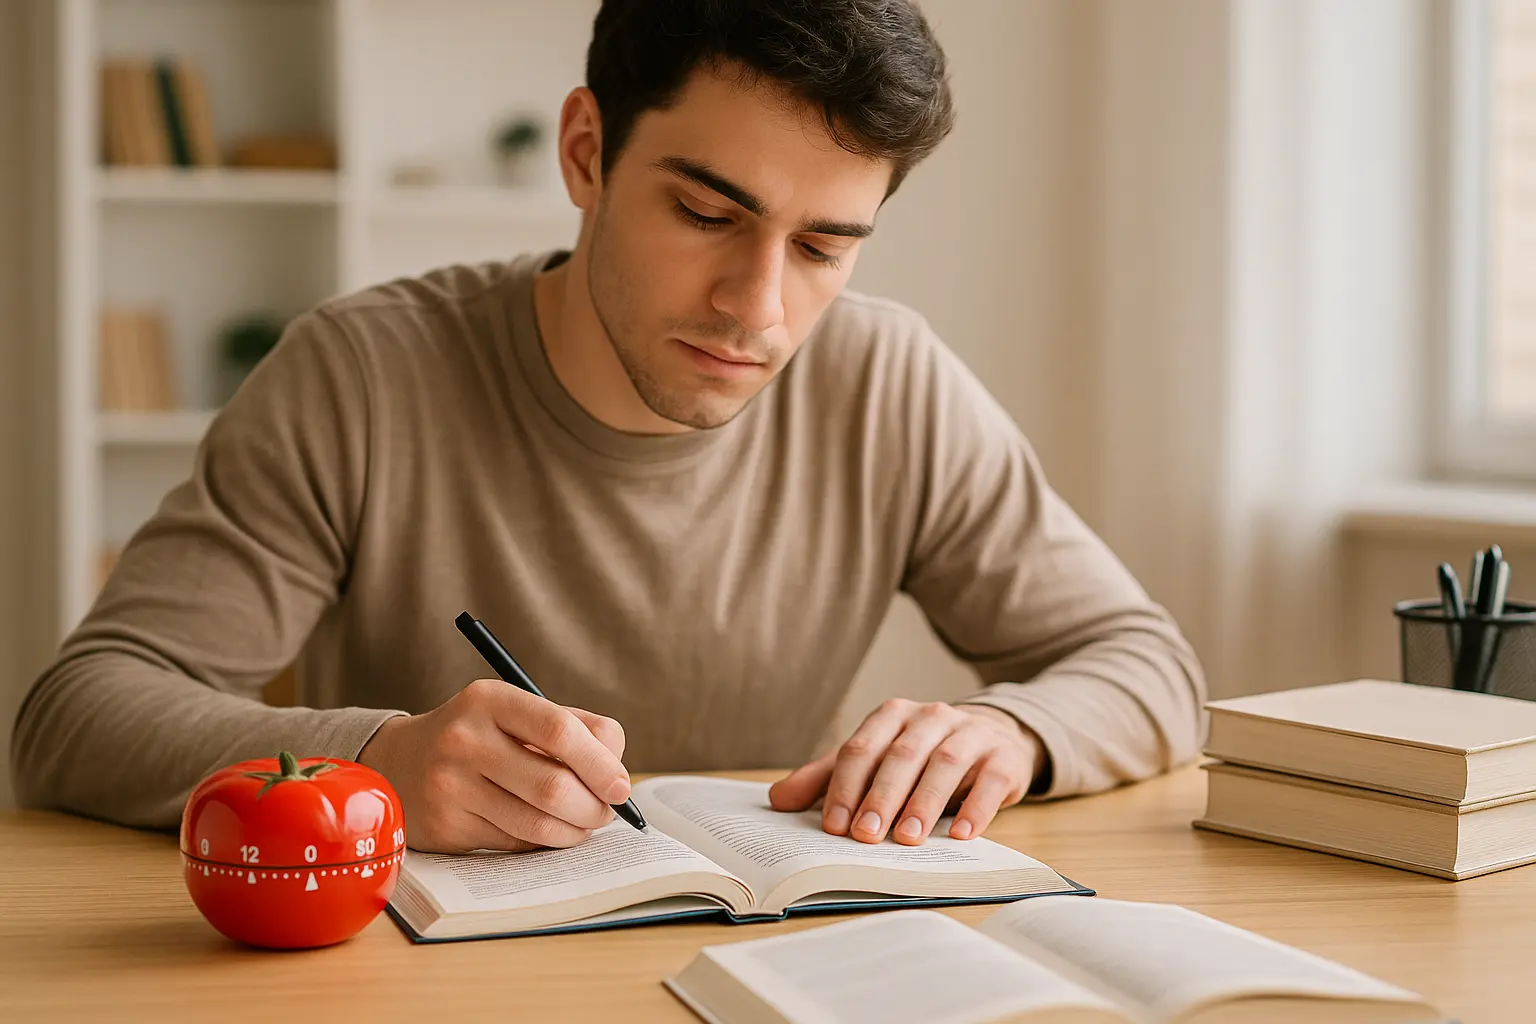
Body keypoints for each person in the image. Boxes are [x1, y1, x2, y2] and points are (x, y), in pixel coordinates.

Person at [10, 0, 1204, 855]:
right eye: (703, 212)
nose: (760, 305)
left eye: (826, 245)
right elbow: (79, 714)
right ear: (586, 151)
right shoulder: (361, 373)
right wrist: (372, 761)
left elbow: (1148, 664)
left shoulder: (889, 380)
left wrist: (1010, 729)